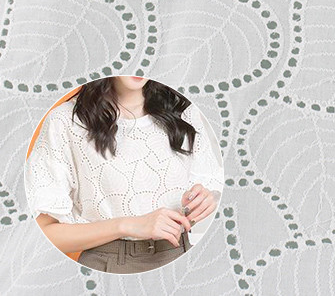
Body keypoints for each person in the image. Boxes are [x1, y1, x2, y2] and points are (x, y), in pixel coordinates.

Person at [24, 76, 224, 274]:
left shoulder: (183, 111)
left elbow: (210, 186)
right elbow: (44, 233)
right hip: (111, 265)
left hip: (182, 255)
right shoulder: (66, 121)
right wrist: (127, 225)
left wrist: (205, 200)